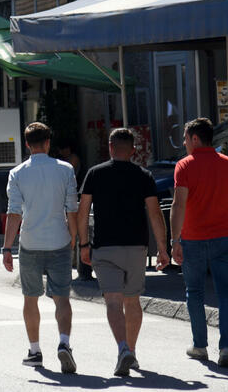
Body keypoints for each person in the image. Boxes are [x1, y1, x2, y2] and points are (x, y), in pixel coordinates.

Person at [77, 128, 169, 376]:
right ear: (133, 150)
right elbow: (155, 212)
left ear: (110, 147)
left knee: (113, 302)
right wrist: (162, 247)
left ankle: (122, 349)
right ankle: (132, 351)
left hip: (104, 247)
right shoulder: (144, 176)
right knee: (132, 300)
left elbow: (83, 211)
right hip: (136, 248)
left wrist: (83, 244)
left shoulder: (95, 173)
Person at [170, 117, 228, 368]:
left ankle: (200, 346)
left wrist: (175, 240)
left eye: (185, 139)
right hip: (223, 238)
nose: (184, 144)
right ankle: (226, 348)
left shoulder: (184, 166)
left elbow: (179, 204)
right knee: (225, 292)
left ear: (195, 139)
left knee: (194, 292)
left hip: (193, 239)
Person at [2, 122, 79, 374]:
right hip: (59, 241)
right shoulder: (66, 170)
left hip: (30, 243)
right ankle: (64, 343)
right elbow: (72, 209)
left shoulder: (17, 173)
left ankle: (35, 350)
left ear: (27, 144)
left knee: (30, 297)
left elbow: (14, 213)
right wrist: (74, 240)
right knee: (62, 298)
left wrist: (6, 247)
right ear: (48, 142)